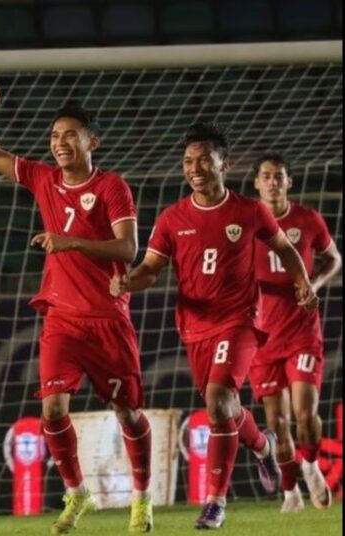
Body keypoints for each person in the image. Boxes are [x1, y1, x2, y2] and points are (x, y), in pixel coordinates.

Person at [111, 122, 319, 530]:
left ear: (224, 163)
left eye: (205, 159)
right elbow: (151, 268)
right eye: (189, 161)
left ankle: (215, 502)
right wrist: (127, 281)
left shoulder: (249, 210)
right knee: (226, 407)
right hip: (194, 326)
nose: (196, 167)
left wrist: (302, 282)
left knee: (219, 402)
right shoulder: (173, 218)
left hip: (240, 321)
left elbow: (285, 248)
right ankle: (262, 446)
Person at [0, 84, 154, 534]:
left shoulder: (113, 186)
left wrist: (71, 242)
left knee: (129, 414)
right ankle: (76, 493)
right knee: (52, 409)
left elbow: (129, 248)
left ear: (93, 142)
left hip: (108, 318)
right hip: (61, 318)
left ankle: (141, 498)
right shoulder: (43, 178)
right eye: (55, 135)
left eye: (71, 134)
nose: (60, 142)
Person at [249, 152, 341, 513]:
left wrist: (314, 283)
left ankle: (312, 464)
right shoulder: (244, 225)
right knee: (277, 423)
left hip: (302, 332)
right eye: (266, 176)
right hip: (261, 339)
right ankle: (290, 492)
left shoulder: (307, 219)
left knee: (305, 413)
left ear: (290, 182)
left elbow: (334, 258)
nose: (273, 182)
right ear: (256, 183)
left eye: (279, 176)